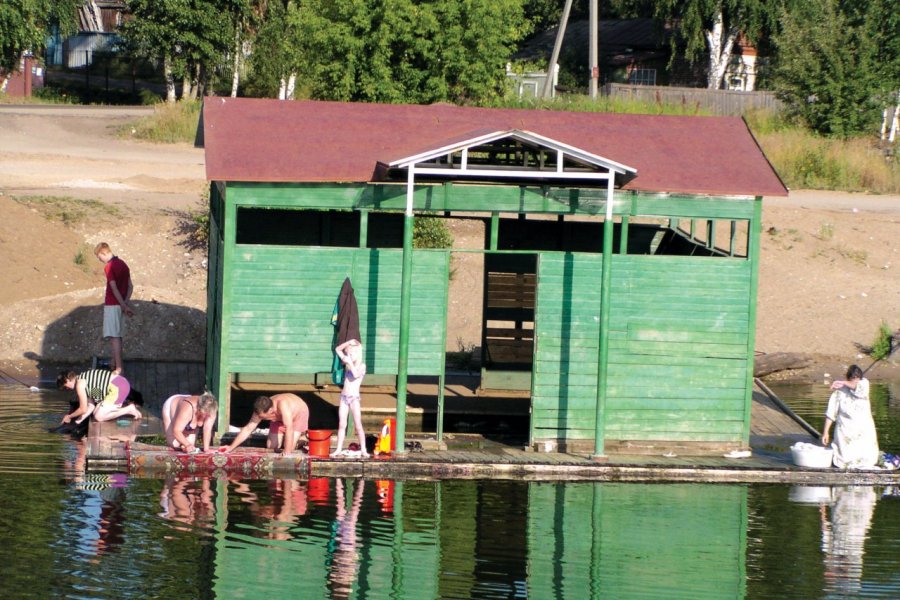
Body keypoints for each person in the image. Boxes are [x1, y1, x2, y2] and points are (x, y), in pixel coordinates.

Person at [821, 365, 879, 469]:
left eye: (857, 380)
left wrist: (842, 382)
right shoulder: (839, 392)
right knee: (844, 459)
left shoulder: (864, 384)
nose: (856, 382)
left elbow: (858, 387)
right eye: (853, 379)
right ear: (848, 378)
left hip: (863, 430)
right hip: (845, 430)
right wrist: (826, 432)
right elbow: (831, 413)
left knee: (866, 457)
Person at [219, 393, 309, 453]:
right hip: (278, 419)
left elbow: (289, 428)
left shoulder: (283, 404)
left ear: (270, 410)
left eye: (263, 417)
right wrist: (230, 447)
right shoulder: (259, 410)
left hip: (298, 415)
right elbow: (248, 429)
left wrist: (287, 452)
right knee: (271, 447)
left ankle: (302, 439)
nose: (260, 419)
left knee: (289, 448)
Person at [94, 242, 134, 375]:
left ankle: (118, 368)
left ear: (104, 252)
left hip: (112, 304)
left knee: (114, 337)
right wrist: (125, 303)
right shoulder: (123, 264)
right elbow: (130, 286)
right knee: (118, 336)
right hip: (121, 305)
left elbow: (113, 287)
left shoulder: (109, 266)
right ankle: (114, 362)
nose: (100, 260)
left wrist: (122, 304)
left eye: (99, 257)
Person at [57, 369, 141, 424]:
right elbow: (90, 407)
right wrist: (77, 422)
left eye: (65, 386)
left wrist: (69, 416)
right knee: (95, 412)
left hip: (118, 387)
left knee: (99, 416)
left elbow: (83, 409)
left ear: (68, 380)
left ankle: (129, 409)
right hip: (120, 384)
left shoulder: (79, 385)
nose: (66, 389)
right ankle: (125, 408)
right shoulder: (83, 380)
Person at [332, 339, 368, 458]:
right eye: (348, 354)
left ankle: (363, 449)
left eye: (352, 354)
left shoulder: (362, 366)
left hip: (354, 398)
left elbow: (356, 374)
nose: (349, 356)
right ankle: (338, 449)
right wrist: (348, 343)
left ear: (358, 354)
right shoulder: (347, 363)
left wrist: (350, 362)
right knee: (342, 424)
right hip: (344, 397)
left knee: (358, 424)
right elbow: (337, 349)